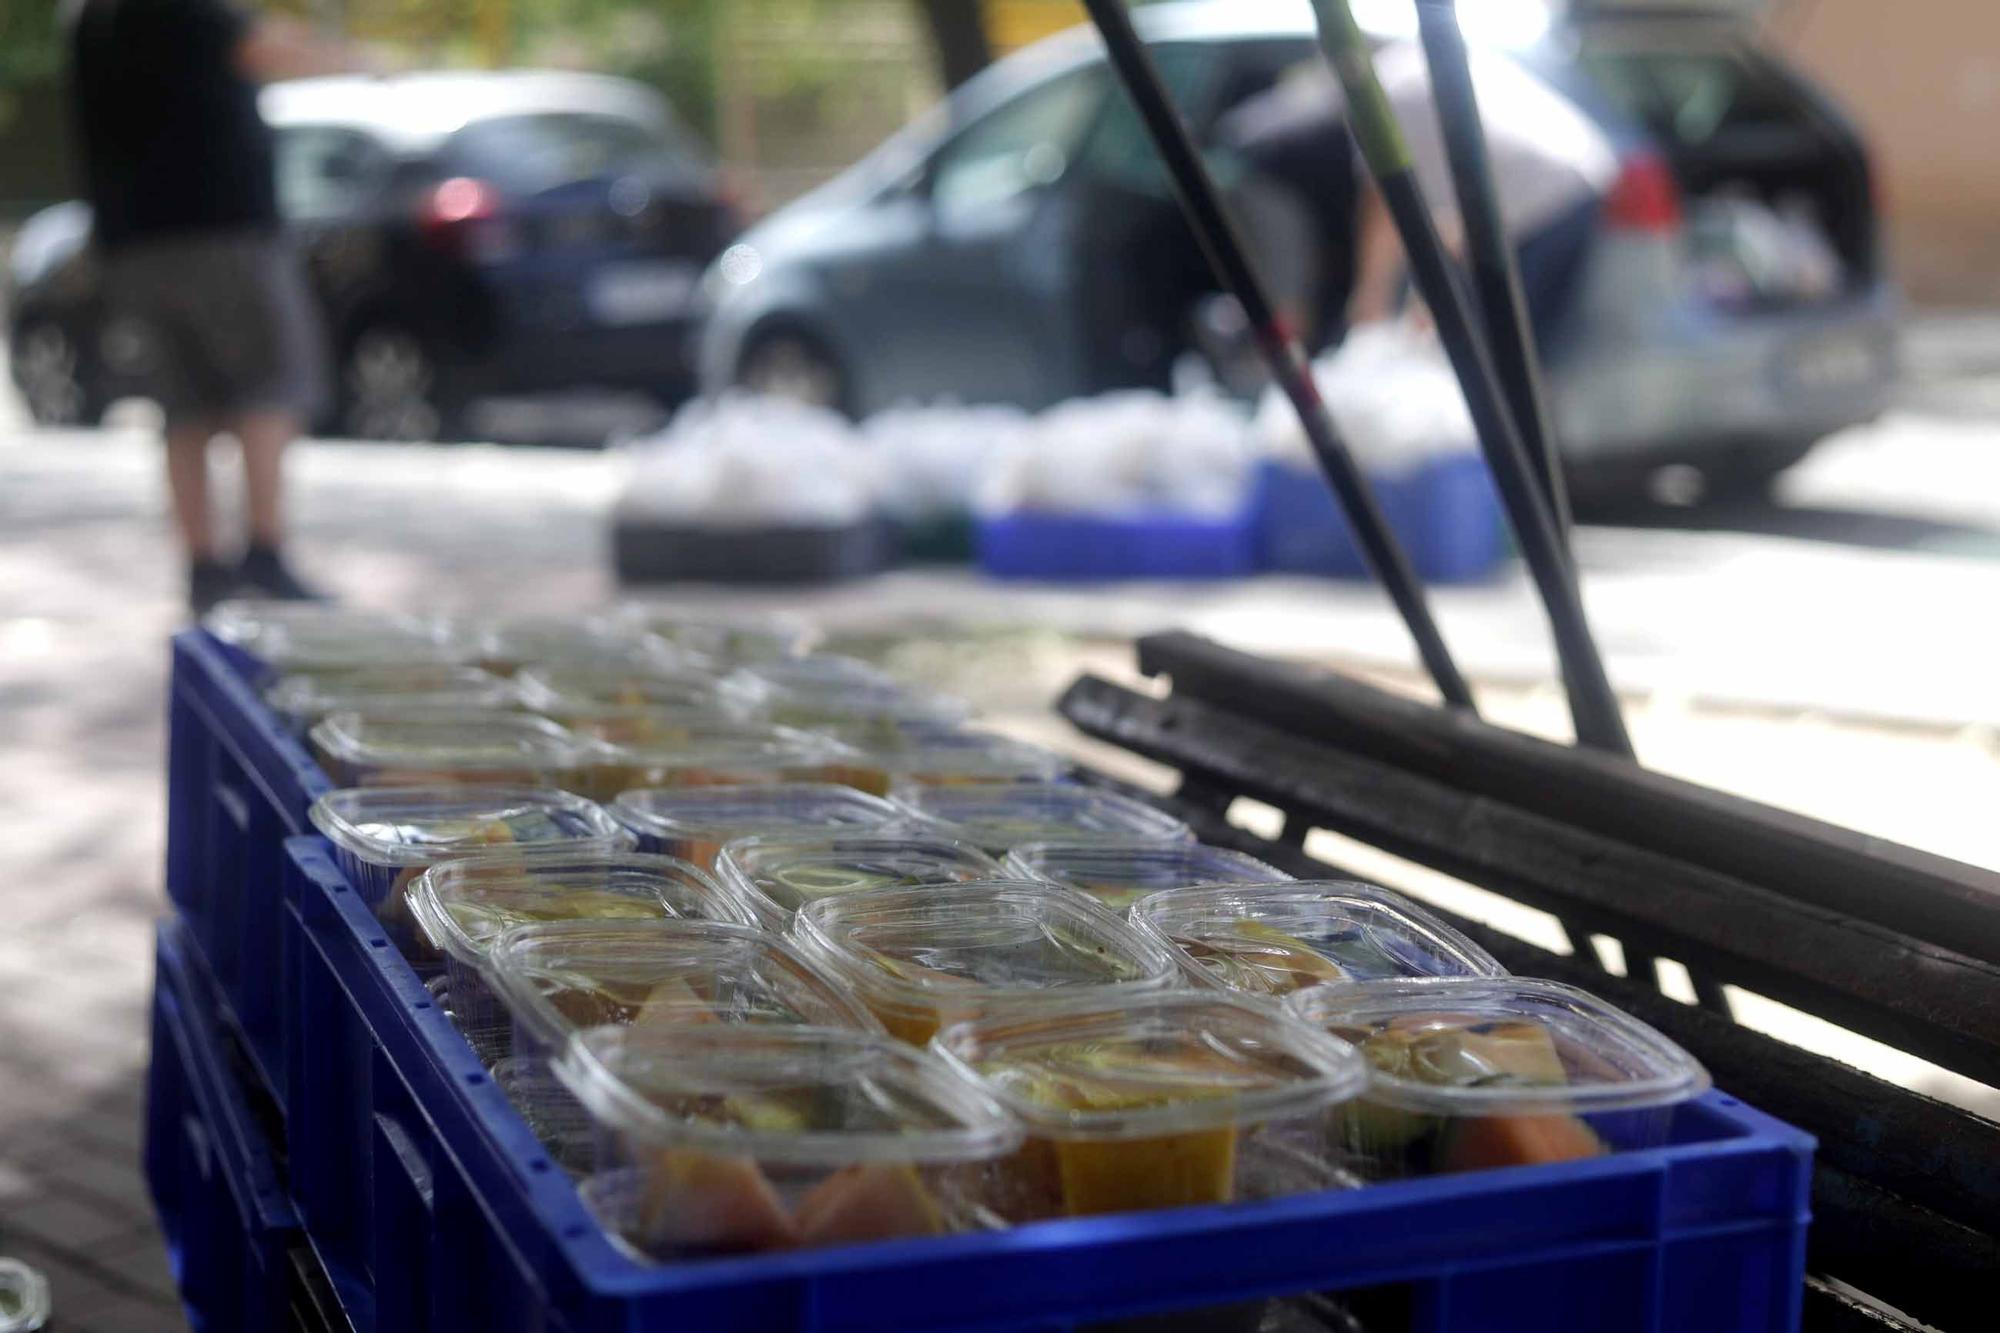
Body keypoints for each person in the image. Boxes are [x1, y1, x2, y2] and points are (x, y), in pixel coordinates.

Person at [66, 0, 356, 612]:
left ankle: (203, 566)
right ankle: (265, 551)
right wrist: (357, 59)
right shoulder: (190, 9)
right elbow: (264, 51)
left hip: (133, 244)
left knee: (185, 408)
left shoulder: (92, 17)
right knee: (272, 388)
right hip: (223, 232)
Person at [1219, 43, 1617, 348]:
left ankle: (1504, 448)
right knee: (1499, 342)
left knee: (1504, 350)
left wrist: (1368, 307)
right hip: (1576, 179)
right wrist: (1425, 296)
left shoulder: (1382, 97)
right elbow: (1448, 214)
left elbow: (1384, 206)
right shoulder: (1414, 67)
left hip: (1552, 199)